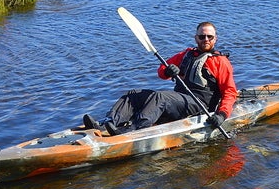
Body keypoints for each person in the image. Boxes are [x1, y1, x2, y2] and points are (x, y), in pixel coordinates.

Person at [83, 22, 238, 136]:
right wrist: (169, 71)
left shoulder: (220, 62)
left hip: (199, 104)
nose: (205, 39)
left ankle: (134, 129)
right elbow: (161, 72)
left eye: (209, 37)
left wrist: (222, 115)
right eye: (202, 36)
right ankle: (107, 122)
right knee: (133, 94)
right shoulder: (186, 54)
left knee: (160, 97)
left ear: (215, 39)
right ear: (196, 37)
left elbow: (230, 92)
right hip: (180, 99)